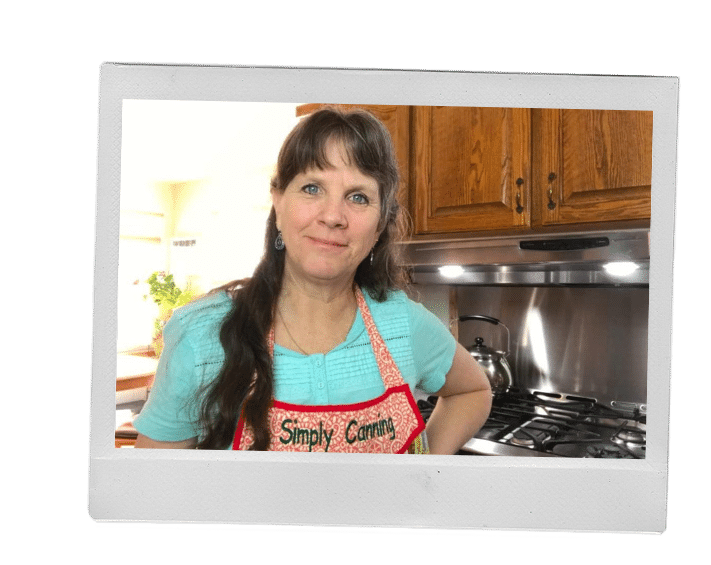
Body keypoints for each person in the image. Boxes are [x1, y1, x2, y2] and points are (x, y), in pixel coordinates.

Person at [133, 107, 492, 454]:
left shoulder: (404, 324)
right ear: (278, 202)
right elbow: (151, 490)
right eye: (312, 188)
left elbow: (473, 391)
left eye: (358, 197)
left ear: (380, 224)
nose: (333, 216)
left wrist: (421, 473)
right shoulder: (201, 334)